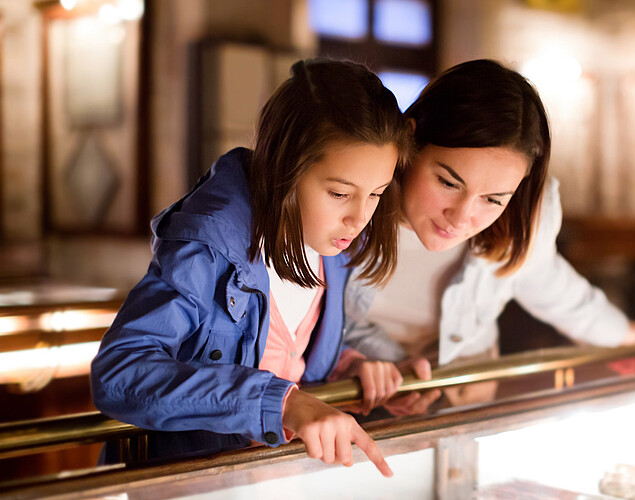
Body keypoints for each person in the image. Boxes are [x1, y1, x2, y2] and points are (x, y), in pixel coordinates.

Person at [90, 59, 412, 475]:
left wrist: (351, 368)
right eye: (338, 193)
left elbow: (287, 357)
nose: (359, 218)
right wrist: (280, 403)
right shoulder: (209, 249)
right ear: (285, 168)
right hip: (187, 482)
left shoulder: (336, 249)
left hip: (268, 479)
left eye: (376, 194)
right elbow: (120, 373)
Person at [343, 60, 635, 413]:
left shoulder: (523, 217)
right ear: (410, 140)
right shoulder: (351, 200)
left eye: (492, 199)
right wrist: (392, 369)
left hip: (464, 403)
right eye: (448, 182)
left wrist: (627, 336)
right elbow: (314, 319)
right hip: (354, 398)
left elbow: (550, 284)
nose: (461, 217)